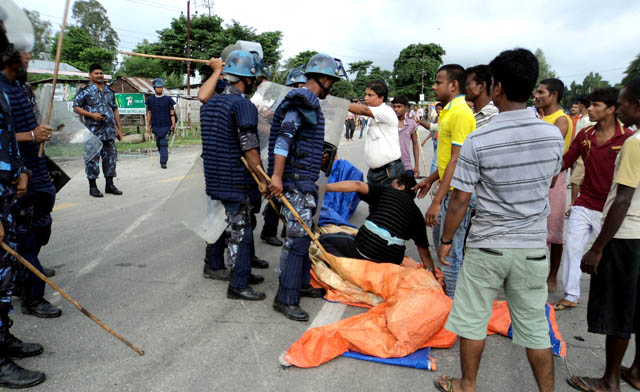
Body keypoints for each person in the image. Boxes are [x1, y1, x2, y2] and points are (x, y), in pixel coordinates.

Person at [434, 48, 562, 392]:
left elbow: (460, 199)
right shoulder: (553, 137)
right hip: (532, 249)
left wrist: (446, 241)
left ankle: (467, 384)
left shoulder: (480, 138)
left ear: (498, 88)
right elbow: (549, 182)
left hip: (487, 246)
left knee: (473, 320)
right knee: (535, 327)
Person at [566, 77, 640, 392]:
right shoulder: (588, 135)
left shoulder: (633, 143)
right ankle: (635, 371)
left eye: (622, 103)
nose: (619, 108)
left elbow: (622, 199)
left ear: (635, 106)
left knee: (619, 308)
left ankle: (610, 380)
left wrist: (597, 247)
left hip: (625, 236)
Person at [268, 53, 341, 321]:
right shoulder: (302, 101)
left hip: (302, 181)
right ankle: (285, 298)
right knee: (297, 241)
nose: (331, 86)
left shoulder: (308, 103)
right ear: (323, 79)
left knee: (302, 237)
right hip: (295, 182)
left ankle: (299, 284)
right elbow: (283, 140)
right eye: (331, 81)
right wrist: (276, 177)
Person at [0, 2, 49, 387]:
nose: (29, 55)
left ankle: (4, 338)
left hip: (13, 187)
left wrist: (20, 170)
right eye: (25, 50)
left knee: (5, 274)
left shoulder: (15, 88)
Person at [554, 87, 634, 310]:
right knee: (572, 247)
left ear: (611, 109)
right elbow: (567, 160)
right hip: (584, 202)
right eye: (589, 104)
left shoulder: (627, 138)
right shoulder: (585, 135)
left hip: (611, 209)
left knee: (609, 255)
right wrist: (542, 171)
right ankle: (571, 295)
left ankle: (614, 299)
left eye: (596, 105)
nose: (589, 109)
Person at [198, 51, 269, 301]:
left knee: (224, 224)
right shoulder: (243, 105)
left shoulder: (210, 104)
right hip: (236, 179)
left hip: (214, 177)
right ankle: (238, 284)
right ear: (248, 80)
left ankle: (225, 268)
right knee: (242, 229)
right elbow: (249, 146)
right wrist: (263, 179)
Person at [0, 50, 61, 319]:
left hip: (33, 170)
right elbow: (5, 135)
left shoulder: (22, 88)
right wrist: (31, 135)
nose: (28, 58)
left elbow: (35, 126)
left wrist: (42, 148)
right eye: (24, 54)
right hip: (13, 178)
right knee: (23, 239)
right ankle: (32, 295)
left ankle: (26, 269)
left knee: (40, 229)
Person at [414, 64, 476, 298]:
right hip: (446, 189)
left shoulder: (460, 113)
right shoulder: (449, 111)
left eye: (439, 82)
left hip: (456, 195)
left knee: (450, 252)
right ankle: (446, 297)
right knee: (442, 246)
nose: (434, 86)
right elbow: (446, 158)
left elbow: (456, 160)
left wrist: (437, 201)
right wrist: (430, 180)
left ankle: (451, 306)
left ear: (453, 85)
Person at [319, 174, 434, 269]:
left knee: (323, 240)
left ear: (401, 187)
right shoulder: (417, 214)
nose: (390, 186)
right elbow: (425, 254)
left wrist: (322, 188)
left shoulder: (387, 191)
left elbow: (358, 185)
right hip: (391, 261)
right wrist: (432, 279)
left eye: (392, 184)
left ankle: (346, 268)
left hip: (365, 248)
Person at [259, 66, 308, 248]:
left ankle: (287, 229)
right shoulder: (283, 102)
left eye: (303, 85)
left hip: (295, 156)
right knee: (276, 194)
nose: (301, 89)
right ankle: (268, 231)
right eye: (298, 85)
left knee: (292, 196)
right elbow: (265, 118)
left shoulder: (303, 103)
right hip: (280, 153)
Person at [533, 78, 573, 294]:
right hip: (536, 177)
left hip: (554, 179)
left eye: (541, 92)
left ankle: (552, 276)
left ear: (554, 95)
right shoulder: (538, 117)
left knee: (554, 230)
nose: (536, 96)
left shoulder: (562, 120)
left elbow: (547, 149)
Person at [73, 63, 123, 197]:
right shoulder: (86, 91)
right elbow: (76, 107)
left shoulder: (109, 91)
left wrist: (119, 129)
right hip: (92, 132)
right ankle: (93, 187)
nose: (99, 75)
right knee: (92, 159)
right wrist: (92, 115)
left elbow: (115, 110)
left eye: (101, 73)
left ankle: (110, 185)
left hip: (109, 131)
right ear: (90, 75)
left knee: (110, 159)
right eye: (96, 73)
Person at [349, 81, 402, 186]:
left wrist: (338, 103)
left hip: (389, 173)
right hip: (374, 173)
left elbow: (364, 110)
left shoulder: (386, 111)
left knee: (388, 202)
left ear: (381, 97)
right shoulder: (374, 115)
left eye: (370, 95)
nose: (366, 98)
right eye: (366, 94)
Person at [568, 96, 596, 210]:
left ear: (582, 105)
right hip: (577, 152)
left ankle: (572, 205)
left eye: (578, 105)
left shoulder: (588, 121)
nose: (576, 107)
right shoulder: (581, 119)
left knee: (575, 180)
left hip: (583, 154)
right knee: (580, 182)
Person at [145, 78, 175, 169]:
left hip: (166, 126)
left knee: (163, 143)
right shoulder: (150, 100)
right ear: (154, 88)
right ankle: (163, 156)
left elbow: (172, 113)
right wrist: (148, 126)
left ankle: (163, 161)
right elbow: (149, 113)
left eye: (161, 87)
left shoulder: (168, 99)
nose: (160, 89)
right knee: (159, 144)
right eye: (158, 87)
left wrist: (173, 124)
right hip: (155, 126)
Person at [391, 95, 420, 177]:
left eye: (399, 106)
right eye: (394, 107)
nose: (396, 109)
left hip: (406, 165)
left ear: (406, 108)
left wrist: (417, 165)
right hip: (390, 166)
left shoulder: (411, 124)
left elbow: (415, 145)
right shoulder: (389, 123)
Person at [465, 65, 499, 129]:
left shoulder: (495, 116)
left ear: (482, 86)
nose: (463, 88)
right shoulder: (466, 113)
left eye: (467, 84)